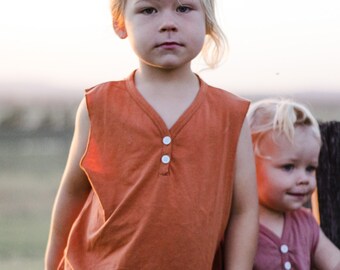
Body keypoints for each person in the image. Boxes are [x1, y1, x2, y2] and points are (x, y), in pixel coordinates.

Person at [45, 0, 259, 269]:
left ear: (207, 21)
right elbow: (72, 194)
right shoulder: (98, 105)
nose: (168, 23)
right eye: (149, 10)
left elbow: (244, 211)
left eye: (183, 8)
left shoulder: (231, 114)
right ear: (120, 24)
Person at [248, 98, 340, 270]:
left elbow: (334, 262)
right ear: (249, 167)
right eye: (288, 167)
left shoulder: (305, 223)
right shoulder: (240, 226)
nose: (304, 178)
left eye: (310, 168)